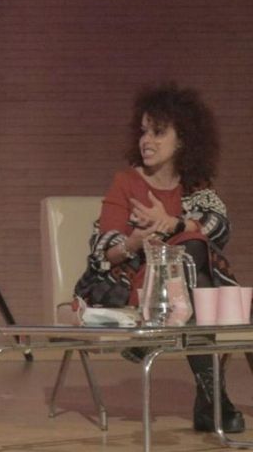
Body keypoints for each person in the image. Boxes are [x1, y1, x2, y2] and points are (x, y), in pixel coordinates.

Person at [74, 82, 245, 433]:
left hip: (187, 292)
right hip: (139, 283)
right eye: (143, 132)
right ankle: (213, 397)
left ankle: (210, 397)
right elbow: (104, 251)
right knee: (198, 259)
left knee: (197, 257)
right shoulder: (126, 182)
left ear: (182, 139)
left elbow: (220, 227)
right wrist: (137, 241)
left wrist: (175, 222)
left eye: (158, 132)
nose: (146, 140)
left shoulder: (194, 185)